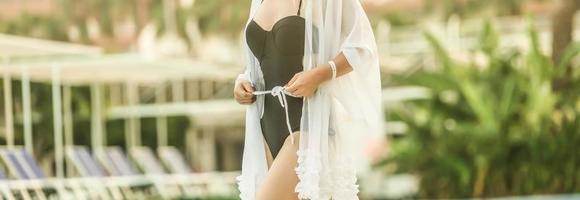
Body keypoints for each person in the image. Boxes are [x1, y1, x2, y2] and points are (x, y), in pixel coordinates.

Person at [233, 0, 383, 199]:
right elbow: (263, 60)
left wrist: (319, 75)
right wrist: (243, 80)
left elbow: (363, 47)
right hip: (263, 129)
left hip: (306, 126)